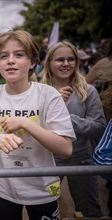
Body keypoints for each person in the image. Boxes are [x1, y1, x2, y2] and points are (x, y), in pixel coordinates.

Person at [0, 30, 75, 220]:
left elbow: (65, 149)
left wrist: (25, 122)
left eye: (19, 54)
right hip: (3, 189)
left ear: (32, 62)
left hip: (43, 189)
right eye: (3, 56)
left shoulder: (48, 95)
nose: (10, 61)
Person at [40, 40, 106, 217]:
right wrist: (52, 103)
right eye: (60, 59)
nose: (66, 64)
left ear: (77, 62)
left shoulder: (88, 90)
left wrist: (67, 119)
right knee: (45, 208)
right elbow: (29, 126)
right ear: (49, 62)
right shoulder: (37, 91)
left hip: (81, 158)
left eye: (71, 59)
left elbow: (99, 127)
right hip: (48, 160)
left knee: (90, 210)